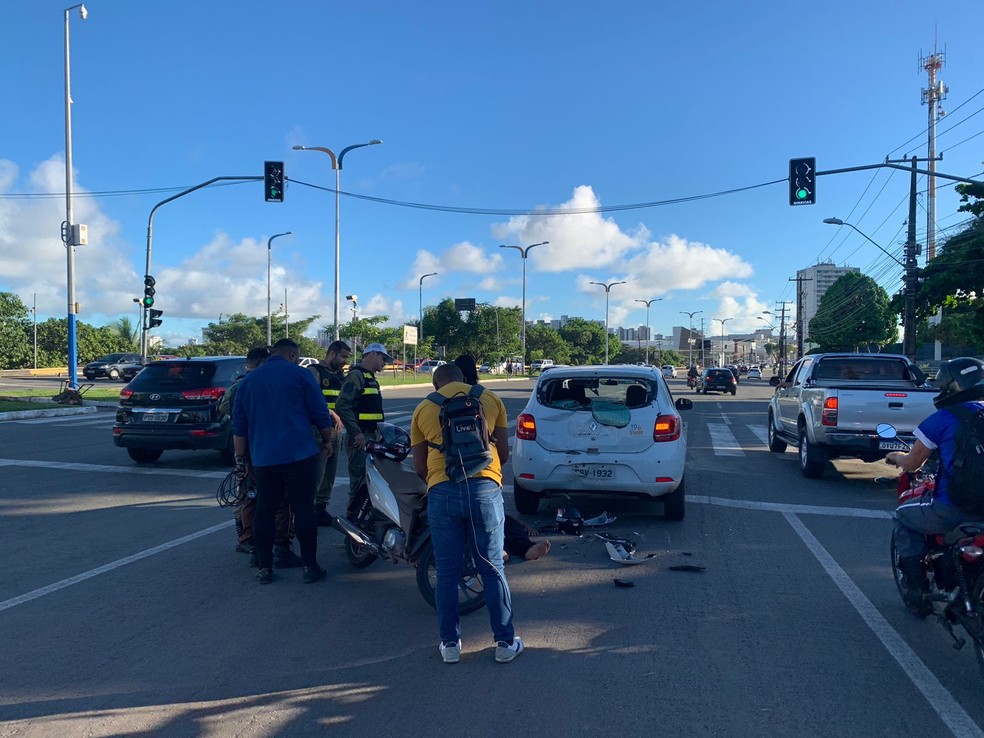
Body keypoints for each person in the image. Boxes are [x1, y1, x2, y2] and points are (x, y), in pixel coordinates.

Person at [410, 363, 522, 665]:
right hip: (484, 488)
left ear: (436, 384)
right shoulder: (490, 398)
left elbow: (420, 466)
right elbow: (504, 453)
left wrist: (438, 482)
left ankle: (449, 645)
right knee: (492, 566)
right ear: (463, 379)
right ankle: (505, 643)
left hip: (442, 492)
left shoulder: (423, 408)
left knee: (446, 571)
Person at [232, 338, 335, 585]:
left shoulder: (249, 381)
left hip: (264, 458)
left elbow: (239, 425)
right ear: (291, 354)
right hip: (300, 455)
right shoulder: (300, 375)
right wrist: (327, 440)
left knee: (265, 509)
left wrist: (240, 460)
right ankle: (310, 567)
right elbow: (320, 412)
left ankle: (264, 569)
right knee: (303, 509)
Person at [886, 357, 984, 614]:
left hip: (953, 507)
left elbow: (912, 463)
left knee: (904, 517)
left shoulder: (942, 419)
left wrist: (896, 457)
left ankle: (916, 589)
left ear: (952, 387)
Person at [454, 354, 550, 563]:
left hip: (446, 476)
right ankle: (509, 548)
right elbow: (503, 450)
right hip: (485, 472)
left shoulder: (435, 402)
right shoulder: (490, 399)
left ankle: (503, 549)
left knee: (468, 521)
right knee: (494, 518)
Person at [221, 347, 304, 569]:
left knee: (250, 498)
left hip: (246, 449)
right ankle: (279, 549)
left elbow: (229, 411)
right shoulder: (254, 383)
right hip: (261, 450)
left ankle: (253, 546)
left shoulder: (242, 383)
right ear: (262, 362)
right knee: (278, 502)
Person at [335, 342, 391, 515]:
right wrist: (356, 432)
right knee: (359, 485)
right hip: (361, 438)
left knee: (369, 483)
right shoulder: (356, 376)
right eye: (383, 358)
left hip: (370, 437)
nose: (385, 362)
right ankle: (352, 530)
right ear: (372, 354)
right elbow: (342, 405)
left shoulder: (370, 377)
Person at [309, 340, 352, 526]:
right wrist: (329, 411)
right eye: (343, 356)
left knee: (329, 475)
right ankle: (307, 511)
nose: (344, 361)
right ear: (332, 353)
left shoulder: (340, 376)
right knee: (316, 474)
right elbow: (310, 398)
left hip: (336, 432)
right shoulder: (315, 371)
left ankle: (320, 508)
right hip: (319, 431)